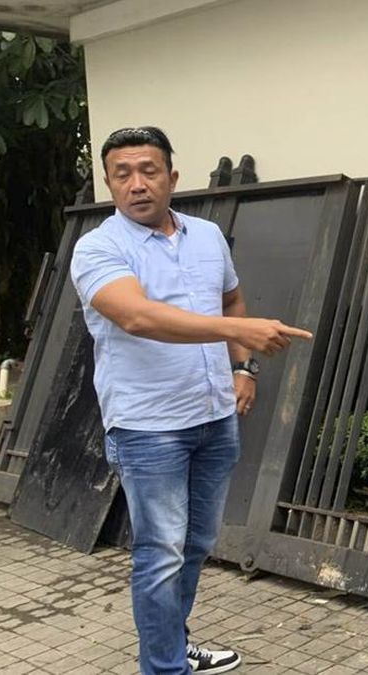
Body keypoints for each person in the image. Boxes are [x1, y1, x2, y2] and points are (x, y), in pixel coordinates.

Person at [70, 126, 311, 675]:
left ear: (172, 177)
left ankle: (172, 647)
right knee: (161, 555)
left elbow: (231, 298)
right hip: (148, 426)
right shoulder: (99, 247)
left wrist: (242, 367)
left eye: (148, 171)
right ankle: (164, 668)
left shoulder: (206, 236)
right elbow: (137, 316)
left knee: (197, 543)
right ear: (109, 184)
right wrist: (239, 330)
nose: (136, 184)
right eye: (122, 174)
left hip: (214, 417)